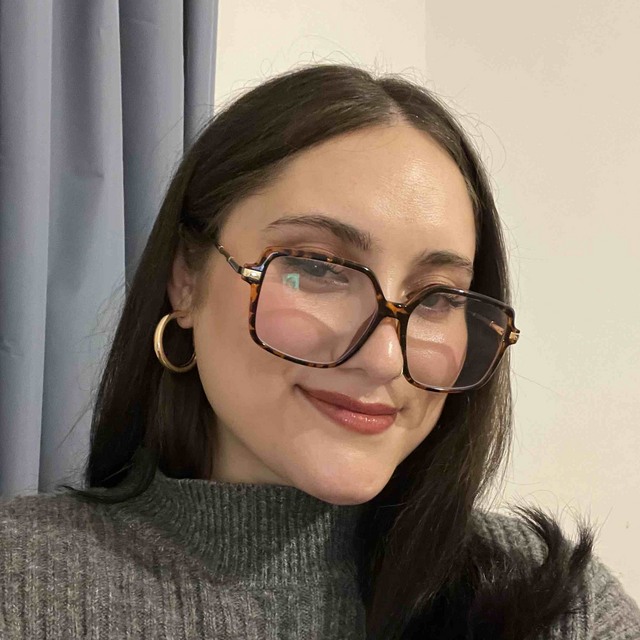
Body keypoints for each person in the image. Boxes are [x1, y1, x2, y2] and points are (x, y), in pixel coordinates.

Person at [1, 63, 639, 640]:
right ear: (186, 280)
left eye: (439, 297)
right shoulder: (22, 584)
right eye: (318, 267)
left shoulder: (557, 608)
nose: (385, 358)